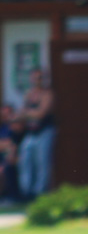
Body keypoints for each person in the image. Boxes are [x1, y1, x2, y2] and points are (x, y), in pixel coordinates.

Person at [17, 68, 55, 200]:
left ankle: (40, 193)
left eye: (39, 78)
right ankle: (26, 192)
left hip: (44, 132)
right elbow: (22, 113)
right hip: (30, 133)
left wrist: (28, 113)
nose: (36, 80)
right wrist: (30, 113)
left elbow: (41, 113)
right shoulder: (29, 94)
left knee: (42, 163)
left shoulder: (47, 94)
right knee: (26, 161)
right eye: (34, 77)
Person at [0, 104, 24, 202]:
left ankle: (13, 196)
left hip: (12, 159)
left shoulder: (13, 128)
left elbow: (12, 144)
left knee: (8, 167)